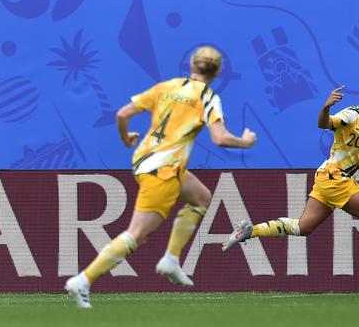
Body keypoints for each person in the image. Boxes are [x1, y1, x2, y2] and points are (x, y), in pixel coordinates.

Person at [64, 46, 258, 308]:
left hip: (145, 160)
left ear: (191, 65)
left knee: (201, 198)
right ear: (219, 72)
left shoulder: (167, 87)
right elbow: (220, 137)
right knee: (137, 235)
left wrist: (125, 137)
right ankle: (83, 280)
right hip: (163, 170)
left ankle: (171, 259)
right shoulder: (208, 97)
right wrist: (245, 142)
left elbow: (122, 114)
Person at [221, 80, 359, 289]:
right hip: (336, 178)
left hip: (327, 178)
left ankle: (249, 231)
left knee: (303, 227)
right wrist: (326, 107)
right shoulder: (351, 115)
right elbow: (324, 124)